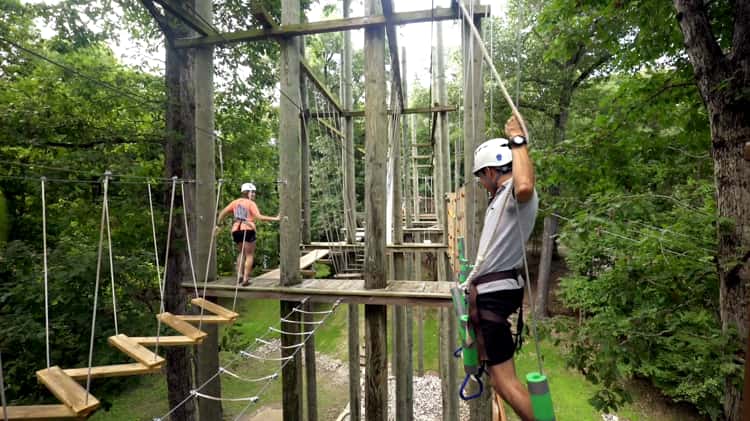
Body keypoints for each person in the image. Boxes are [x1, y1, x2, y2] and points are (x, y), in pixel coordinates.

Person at [466, 114, 538, 421]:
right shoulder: (502, 199)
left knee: (506, 383)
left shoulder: (514, 192)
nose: (482, 184)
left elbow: (523, 184)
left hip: (493, 296)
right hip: (493, 293)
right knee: (500, 379)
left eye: (482, 176)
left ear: (493, 170)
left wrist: (517, 139)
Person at [216, 182, 279, 286]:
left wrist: (218, 224)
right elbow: (259, 217)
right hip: (248, 229)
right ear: (247, 193)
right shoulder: (251, 203)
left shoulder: (235, 202)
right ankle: (245, 279)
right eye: (252, 192)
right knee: (249, 255)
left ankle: (239, 275)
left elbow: (223, 212)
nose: (254, 194)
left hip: (236, 230)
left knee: (241, 253)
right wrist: (275, 219)